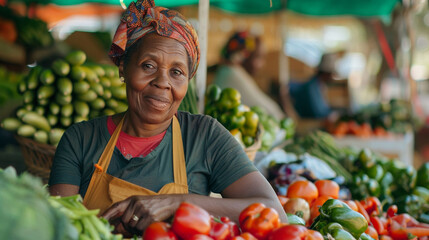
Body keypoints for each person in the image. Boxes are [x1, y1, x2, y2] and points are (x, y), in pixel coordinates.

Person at [48, 0, 286, 236]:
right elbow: (57, 225)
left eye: (177, 72)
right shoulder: (79, 140)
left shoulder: (204, 136)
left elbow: (275, 211)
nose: (163, 82)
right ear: (123, 68)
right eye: (148, 65)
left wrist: (176, 203)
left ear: (188, 80)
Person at [213, 31, 285, 120]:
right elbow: (271, 112)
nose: (262, 64)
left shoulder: (229, 71)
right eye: (258, 57)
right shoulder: (231, 73)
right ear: (243, 55)